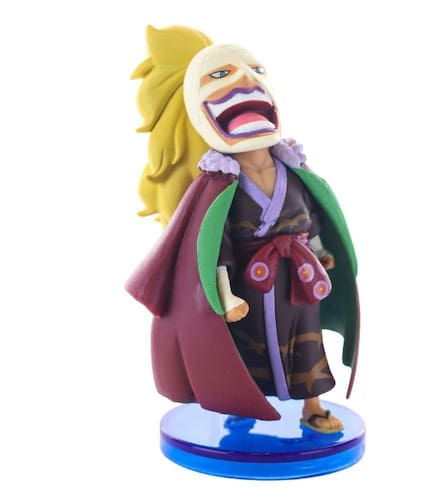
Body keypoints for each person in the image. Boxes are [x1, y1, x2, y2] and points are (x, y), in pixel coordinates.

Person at [126, 25, 360, 433]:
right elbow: (214, 246)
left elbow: (313, 217)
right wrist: (226, 294)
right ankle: (244, 403)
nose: (246, 81)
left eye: (256, 71)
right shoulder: (218, 183)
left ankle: (312, 406)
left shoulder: (294, 170)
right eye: (220, 75)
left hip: (299, 280)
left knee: (306, 342)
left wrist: (320, 250)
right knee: (248, 350)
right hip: (250, 286)